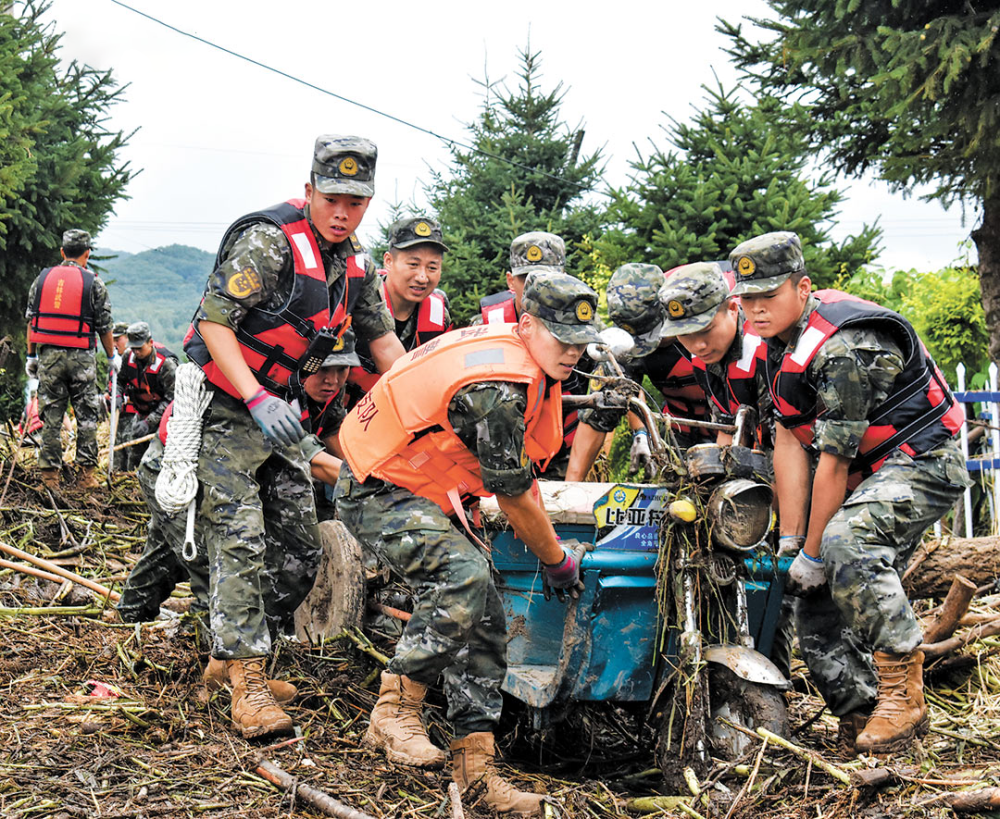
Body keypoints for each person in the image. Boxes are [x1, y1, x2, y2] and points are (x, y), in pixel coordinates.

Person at [335, 271, 601, 816]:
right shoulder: (496, 389)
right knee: (463, 576)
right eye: (561, 339)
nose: (572, 352)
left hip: (429, 490)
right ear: (526, 325)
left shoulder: (529, 360)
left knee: (486, 613)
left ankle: (474, 770)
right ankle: (393, 711)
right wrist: (556, 561)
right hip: (378, 486)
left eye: (580, 342)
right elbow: (515, 495)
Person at [182, 134, 405, 739]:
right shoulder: (268, 242)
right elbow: (214, 321)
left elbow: (384, 346)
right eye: (332, 198)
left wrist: (427, 394)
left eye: (355, 203)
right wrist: (253, 395)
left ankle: (229, 658)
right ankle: (248, 680)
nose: (342, 212)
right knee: (240, 537)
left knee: (304, 546)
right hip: (225, 406)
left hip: (278, 416)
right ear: (310, 191)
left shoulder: (354, 265)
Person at [730, 230, 969, 755]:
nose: (756, 309)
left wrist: (816, 550)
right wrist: (793, 545)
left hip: (923, 464)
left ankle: (903, 696)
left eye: (768, 296)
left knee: (846, 545)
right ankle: (861, 716)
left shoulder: (845, 349)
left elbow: (833, 460)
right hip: (864, 475)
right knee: (813, 596)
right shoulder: (773, 347)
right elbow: (791, 441)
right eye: (746, 299)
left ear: (802, 287)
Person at [565, 263, 712, 482]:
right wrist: (569, 494)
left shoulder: (703, 319)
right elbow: (597, 418)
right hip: (679, 431)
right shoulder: (620, 347)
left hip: (730, 425)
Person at [476, 231, 593, 479]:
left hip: (566, 448)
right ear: (510, 281)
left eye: (549, 277)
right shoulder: (484, 327)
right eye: (527, 277)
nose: (537, 285)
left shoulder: (587, 328)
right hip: (501, 448)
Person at [24, 228, 117, 490]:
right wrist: (112, 357)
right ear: (87, 253)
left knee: (51, 415)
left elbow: (33, 321)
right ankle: (86, 477)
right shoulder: (93, 282)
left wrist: (31, 355)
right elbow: (104, 325)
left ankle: (49, 478)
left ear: (62, 252)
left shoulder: (42, 280)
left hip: (49, 357)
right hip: (81, 358)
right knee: (86, 415)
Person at [348, 216, 452, 397]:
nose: (422, 277)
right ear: (388, 261)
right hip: (348, 411)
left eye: (432, 268)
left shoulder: (440, 314)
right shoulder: (358, 301)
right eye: (413, 265)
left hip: (409, 408)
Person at [114, 322, 178, 470]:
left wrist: (149, 422)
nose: (136, 352)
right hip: (141, 414)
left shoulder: (166, 365)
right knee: (134, 454)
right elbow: (121, 381)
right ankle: (131, 482)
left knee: (156, 458)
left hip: (163, 419)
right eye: (133, 348)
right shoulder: (127, 356)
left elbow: (172, 399)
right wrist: (117, 395)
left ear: (150, 342)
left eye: (140, 348)